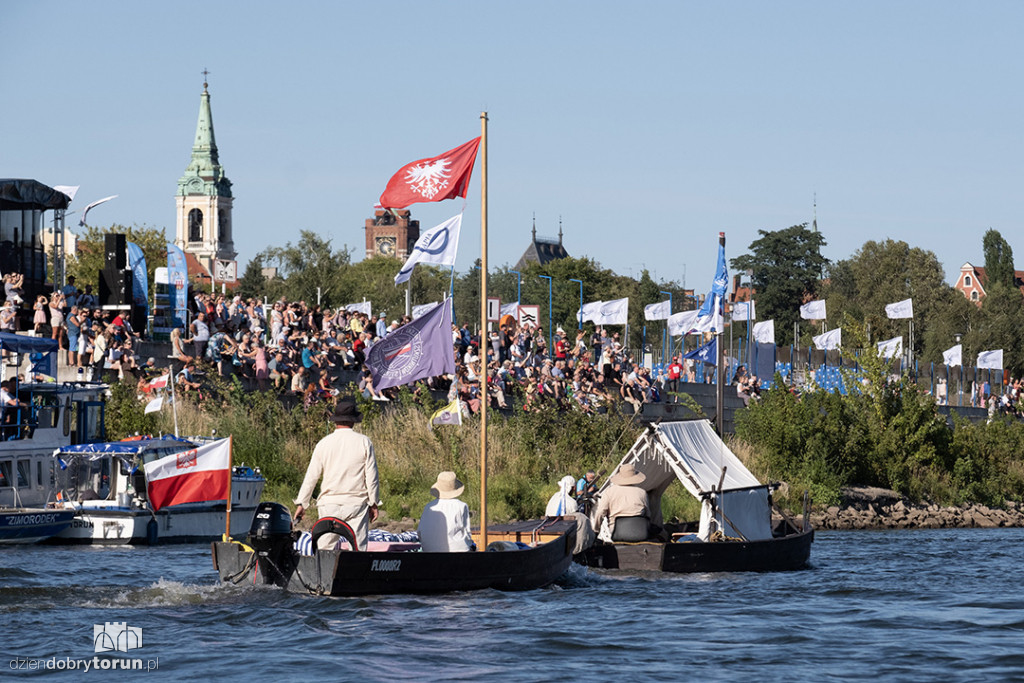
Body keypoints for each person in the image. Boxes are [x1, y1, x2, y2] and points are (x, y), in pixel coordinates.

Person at [294, 398, 380, 551]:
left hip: (329, 504)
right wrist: (373, 502)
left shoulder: (324, 443)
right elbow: (371, 477)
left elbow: (311, 476)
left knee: (325, 550)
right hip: (356, 503)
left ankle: (324, 574)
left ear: (335, 420)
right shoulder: (364, 442)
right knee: (358, 550)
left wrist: (302, 503)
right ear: (353, 421)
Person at [590, 463, 650, 541]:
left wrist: (596, 530)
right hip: (640, 531)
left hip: (617, 531)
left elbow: (600, 512)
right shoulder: (642, 493)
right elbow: (648, 515)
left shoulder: (609, 492)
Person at [418, 471, 473, 553]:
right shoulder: (461, 506)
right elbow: (467, 532)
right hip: (458, 551)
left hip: (429, 551)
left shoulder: (428, 507)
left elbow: (420, 532)